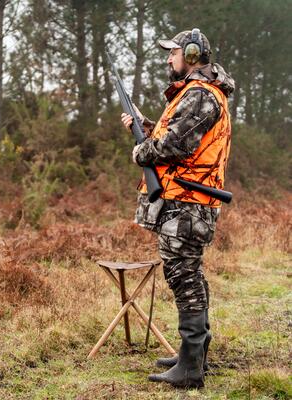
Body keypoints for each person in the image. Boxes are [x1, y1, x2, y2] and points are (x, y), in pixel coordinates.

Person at [121, 28, 235, 389]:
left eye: (173, 53)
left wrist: (141, 150)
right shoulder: (194, 94)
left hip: (188, 204)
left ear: (191, 54)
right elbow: (180, 139)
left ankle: (190, 367)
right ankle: (193, 353)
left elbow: (176, 147)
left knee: (183, 276)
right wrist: (146, 129)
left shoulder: (201, 95)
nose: (168, 59)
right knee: (187, 275)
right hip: (186, 201)